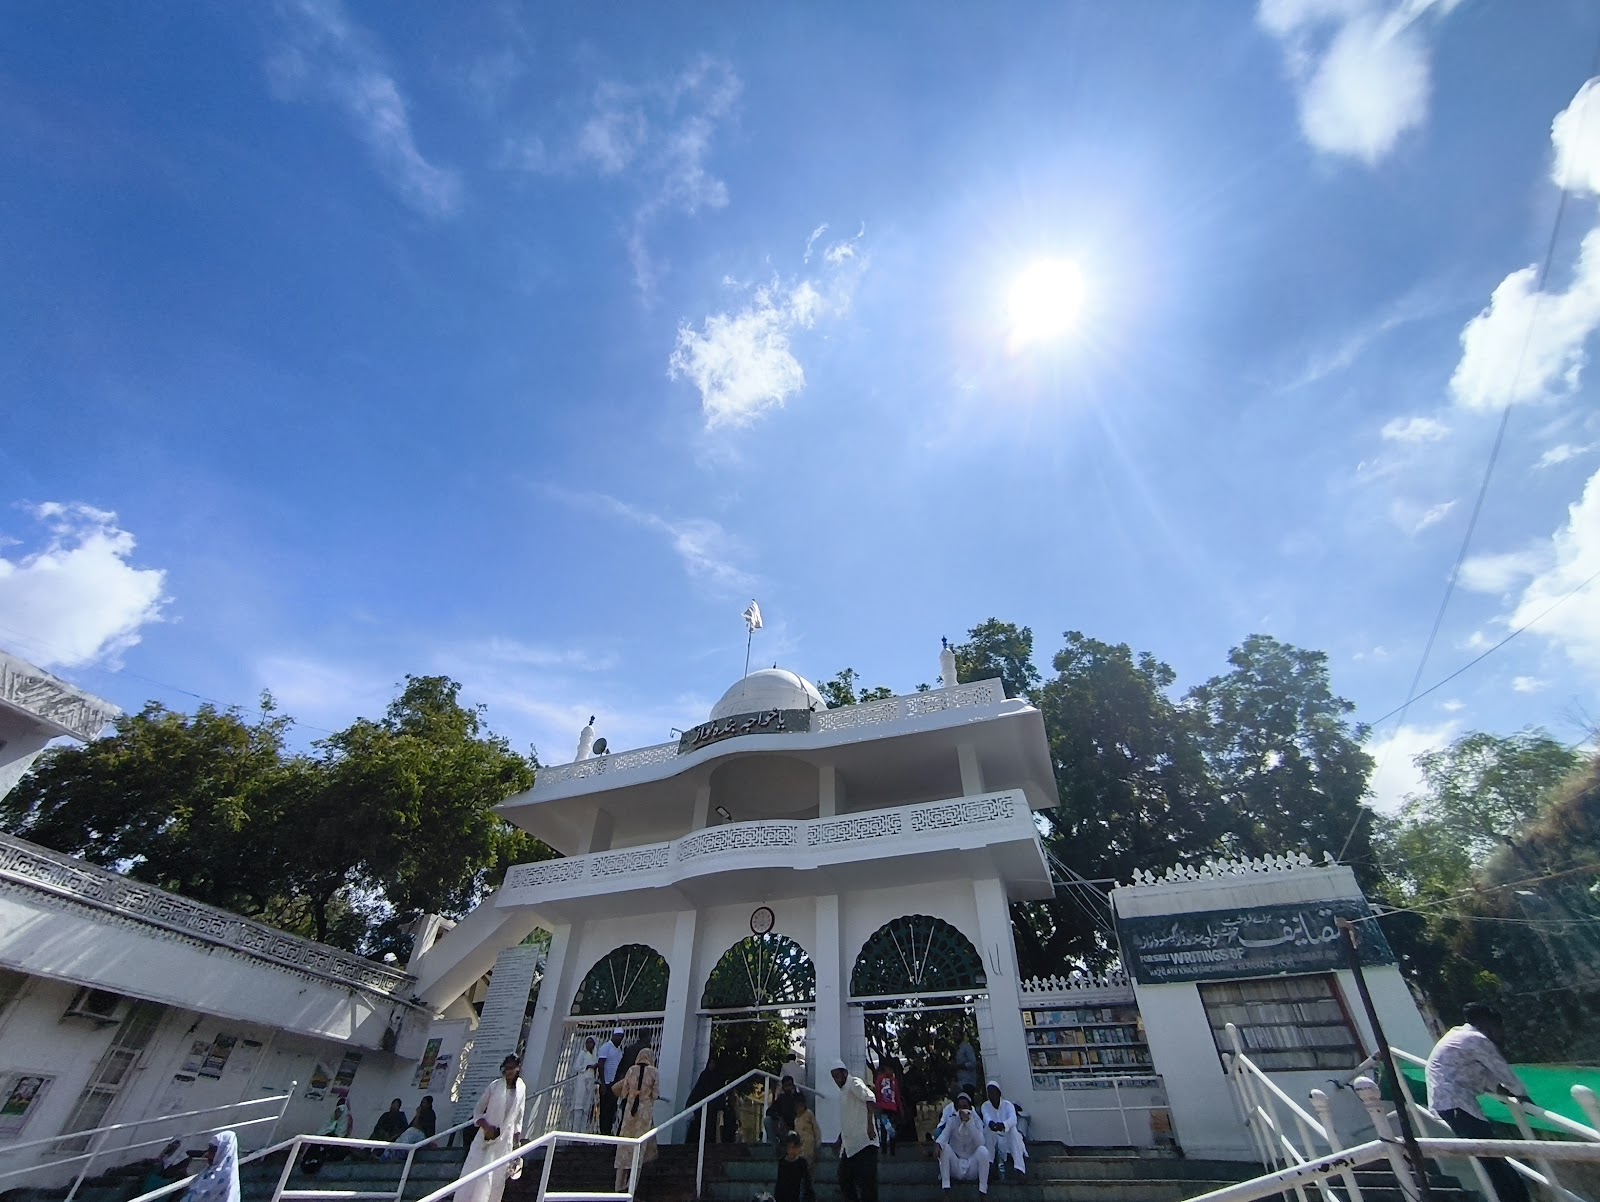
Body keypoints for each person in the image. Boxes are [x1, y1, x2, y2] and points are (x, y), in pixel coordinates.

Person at [1425, 1003, 1531, 1202]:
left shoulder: (1458, 1037)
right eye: (1499, 1027)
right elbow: (1500, 1069)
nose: (1501, 1033)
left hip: (1451, 1104)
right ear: (1486, 1024)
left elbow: (1476, 1072)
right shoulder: (1475, 1039)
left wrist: (1498, 1088)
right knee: (1493, 1159)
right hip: (1457, 1104)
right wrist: (1522, 1096)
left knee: (1493, 1160)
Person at [457, 1054, 527, 1202]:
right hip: (486, 1138)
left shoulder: (521, 1088)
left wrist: (517, 1143)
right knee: (475, 1175)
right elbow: (478, 1110)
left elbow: (519, 1117)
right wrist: (486, 1127)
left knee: (495, 1178)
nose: (509, 1071)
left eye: (512, 1068)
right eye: (506, 1068)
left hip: (504, 1142)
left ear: (518, 1068)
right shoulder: (494, 1086)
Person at [830, 1058, 880, 1202]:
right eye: (833, 1077)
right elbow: (849, 1119)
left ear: (844, 1073)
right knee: (844, 1179)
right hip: (850, 1146)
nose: (836, 1079)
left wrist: (870, 1125)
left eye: (837, 1075)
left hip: (865, 1142)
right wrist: (840, 1139)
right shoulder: (843, 1092)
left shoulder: (854, 1082)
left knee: (867, 1185)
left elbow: (870, 1098)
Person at [612, 1047, 660, 1192]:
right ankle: (631, 1186)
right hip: (644, 1114)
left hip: (630, 1113)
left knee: (624, 1149)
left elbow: (624, 1092)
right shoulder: (654, 1072)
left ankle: (618, 1185)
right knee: (639, 1148)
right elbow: (655, 1094)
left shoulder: (631, 1070)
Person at [936, 1094, 991, 1195]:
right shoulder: (952, 1120)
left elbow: (981, 1142)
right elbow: (943, 1136)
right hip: (956, 1165)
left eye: (965, 1107)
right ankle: (946, 1191)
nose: (962, 1110)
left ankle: (983, 1192)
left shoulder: (977, 1121)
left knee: (983, 1151)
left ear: (970, 1107)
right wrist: (938, 1145)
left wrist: (969, 1123)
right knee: (945, 1148)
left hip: (972, 1167)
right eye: (960, 1107)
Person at [979, 1082, 1026, 1178]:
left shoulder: (1008, 1105)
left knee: (1013, 1131)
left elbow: (1013, 1119)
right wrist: (991, 1124)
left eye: (993, 1092)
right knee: (988, 1131)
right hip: (993, 1138)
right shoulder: (985, 1106)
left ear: (999, 1093)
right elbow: (986, 1118)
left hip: (1008, 1138)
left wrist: (1003, 1125)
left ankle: (1019, 1168)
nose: (991, 1095)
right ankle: (989, 1163)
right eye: (989, 1093)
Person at [181, 1131, 240, 1202]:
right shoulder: (207, 1172)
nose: (208, 1155)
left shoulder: (226, 1178)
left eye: (213, 1151)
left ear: (224, 1151)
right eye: (209, 1150)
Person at [685, 1055, 730, 1145]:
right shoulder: (704, 1075)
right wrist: (690, 1101)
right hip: (701, 1107)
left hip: (712, 1108)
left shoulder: (718, 1077)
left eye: (713, 1063)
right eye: (710, 1063)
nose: (711, 1065)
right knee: (697, 1125)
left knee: (710, 1127)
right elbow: (698, 1089)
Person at [302, 1099, 353, 1174]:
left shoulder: (342, 1109)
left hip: (333, 1136)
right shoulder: (348, 1115)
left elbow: (336, 1116)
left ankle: (311, 1162)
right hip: (337, 1136)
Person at [597, 1028, 626, 1136]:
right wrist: (603, 1083)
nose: (619, 1039)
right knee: (605, 1110)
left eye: (621, 1037)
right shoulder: (606, 1047)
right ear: (613, 1035)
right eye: (617, 1036)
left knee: (612, 1109)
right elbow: (601, 1065)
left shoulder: (618, 1050)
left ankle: (608, 1132)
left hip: (614, 1085)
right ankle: (603, 1132)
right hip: (606, 1083)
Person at [570, 1036, 600, 1133]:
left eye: (591, 1043)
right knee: (578, 1108)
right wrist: (587, 1066)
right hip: (582, 1081)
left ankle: (582, 1133)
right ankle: (575, 1132)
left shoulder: (595, 1056)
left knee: (586, 1109)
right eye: (587, 1042)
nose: (589, 1045)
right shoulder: (582, 1054)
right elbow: (576, 1067)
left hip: (590, 1083)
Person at [873, 1060, 903, 1156]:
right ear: (885, 1068)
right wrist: (878, 1106)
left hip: (893, 1108)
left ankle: (892, 1151)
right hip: (883, 1108)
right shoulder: (880, 1079)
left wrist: (900, 1109)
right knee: (884, 1129)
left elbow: (897, 1095)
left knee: (892, 1129)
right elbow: (878, 1093)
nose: (891, 1071)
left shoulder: (894, 1081)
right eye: (889, 1069)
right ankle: (884, 1150)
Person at [774, 1131, 814, 1202]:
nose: (793, 1150)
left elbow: (807, 1184)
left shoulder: (802, 1163)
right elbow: (779, 1186)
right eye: (790, 1147)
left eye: (796, 1147)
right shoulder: (782, 1163)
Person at [765, 1075, 799, 1145]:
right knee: (767, 1120)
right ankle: (775, 1147)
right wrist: (779, 1118)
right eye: (786, 1086)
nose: (788, 1088)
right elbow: (769, 1111)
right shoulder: (781, 1098)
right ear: (783, 1088)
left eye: (790, 1085)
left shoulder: (799, 1097)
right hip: (783, 1128)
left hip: (796, 1128)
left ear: (793, 1086)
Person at [790, 1094, 821, 1165]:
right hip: (800, 1145)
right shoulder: (796, 1120)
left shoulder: (809, 1113)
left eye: (800, 1106)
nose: (799, 1108)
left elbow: (816, 1128)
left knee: (809, 1163)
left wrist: (818, 1142)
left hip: (809, 1144)